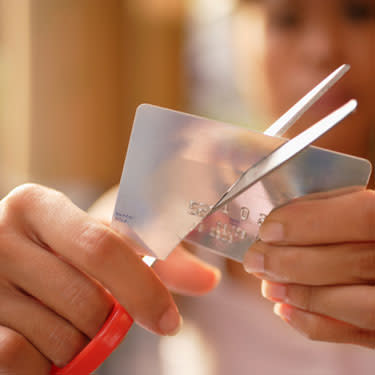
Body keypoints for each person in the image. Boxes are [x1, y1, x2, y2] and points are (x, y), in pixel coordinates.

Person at [0, 0, 374, 374]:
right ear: (235, 39)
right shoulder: (173, 204)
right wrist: (70, 272)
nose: (324, 48)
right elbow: (109, 244)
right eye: (285, 19)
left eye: (360, 12)